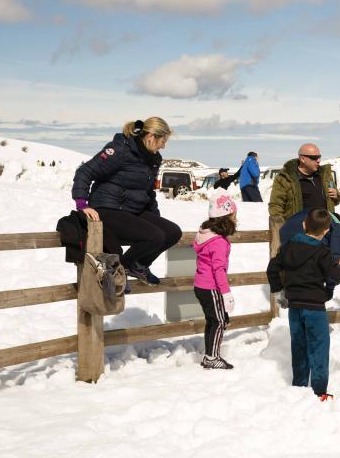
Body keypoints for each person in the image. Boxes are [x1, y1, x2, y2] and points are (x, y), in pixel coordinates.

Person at [72, 117, 182, 286]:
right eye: (163, 141)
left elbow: (147, 191)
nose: (163, 146)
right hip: (107, 208)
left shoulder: (153, 158)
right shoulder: (120, 150)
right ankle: (118, 270)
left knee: (172, 232)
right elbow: (85, 172)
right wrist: (82, 204)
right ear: (151, 136)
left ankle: (138, 265)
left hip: (131, 209)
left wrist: (156, 219)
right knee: (155, 236)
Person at [266, 209, 340, 400]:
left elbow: (272, 268)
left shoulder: (289, 247)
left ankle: (299, 385)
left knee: (298, 346)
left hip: (294, 307)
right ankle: (319, 391)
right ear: (326, 232)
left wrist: (278, 289)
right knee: (319, 348)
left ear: (304, 225)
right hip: (315, 308)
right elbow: (335, 274)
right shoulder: (322, 252)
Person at [193, 194, 239, 369]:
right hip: (211, 287)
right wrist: (226, 293)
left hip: (201, 285)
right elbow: (218, 269)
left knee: (214, 320)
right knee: (220, 321)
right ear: (225, 218)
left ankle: (210, 355)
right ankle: (212, 358)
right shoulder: (218, 242)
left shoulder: (206, 235)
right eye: (233, 215)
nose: (236, 219)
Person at [268, 143, 340, 221]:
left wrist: (336, 196)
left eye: (319, 157)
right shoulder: (285, 178)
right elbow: (276, 205)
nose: (318, 161)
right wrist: (282, 226)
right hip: (300, 228)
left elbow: (335, 200)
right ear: (302, 159)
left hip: (325, 226)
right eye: (314, 158)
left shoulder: (325, 175)